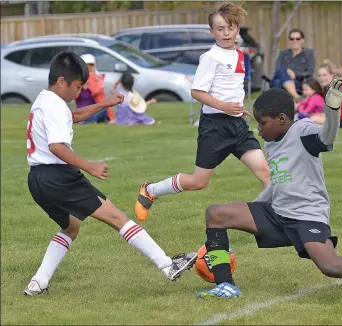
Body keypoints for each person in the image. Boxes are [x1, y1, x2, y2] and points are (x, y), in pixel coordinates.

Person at [194, 79, 342, 300]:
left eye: (262, 123)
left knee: (331, 266)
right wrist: (255, 207)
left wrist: (332, 108)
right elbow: (279, 182)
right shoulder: (272, 142)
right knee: (216, 214)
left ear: (281, 119)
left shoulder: (303, 132)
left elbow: (327, 136)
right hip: (278, 212)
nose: (259, 130)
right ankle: (226, 286)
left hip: (306, 217)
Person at [24, 52, 197, 296]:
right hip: (59, 177)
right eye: (77, 87)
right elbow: (57, 147)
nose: (78, 92)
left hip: (37, 180)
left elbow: (74, 116)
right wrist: (89, 166)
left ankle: (38, 282)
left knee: (71, 227)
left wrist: (106, 103)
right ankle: (167, 265)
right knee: (117, 217)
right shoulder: (54, 105)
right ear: (62, 81)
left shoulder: (45, 100)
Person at [134, 2, 270, 222]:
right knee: (199, 182)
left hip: (238, 126)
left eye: (230, 28)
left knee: (265, 172)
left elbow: (231, 88)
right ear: (211, 32)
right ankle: (151, 190)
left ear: (237, 29)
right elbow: (197, 92)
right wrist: (224, 106)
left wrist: (238, 107)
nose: (226, 33)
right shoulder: (210, 58)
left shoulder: (240, 56)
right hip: (215, 127)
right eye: (220, 29)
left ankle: (277, 217)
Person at [270, 28, 315, 100]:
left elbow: (310, 72)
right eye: (292, 39)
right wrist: (287, 72)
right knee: (281, 71)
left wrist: (295, 74)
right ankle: (296, 96)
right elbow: (277, 70)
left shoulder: (308, 54)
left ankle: (278, 108)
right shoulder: (283, 53)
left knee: (277, 83)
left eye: (298, 38)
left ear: (302, 40)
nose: (295, 41)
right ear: (289, 41)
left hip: (297, 82)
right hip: (281, 79)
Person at [80, 54, 116, 124]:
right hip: (83, 111)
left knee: (103, 109)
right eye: (87, 65)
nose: (89, 68)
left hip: (92, 111)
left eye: (91, 65)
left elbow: (98, 95)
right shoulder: (83, 78)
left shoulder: (94, 77)